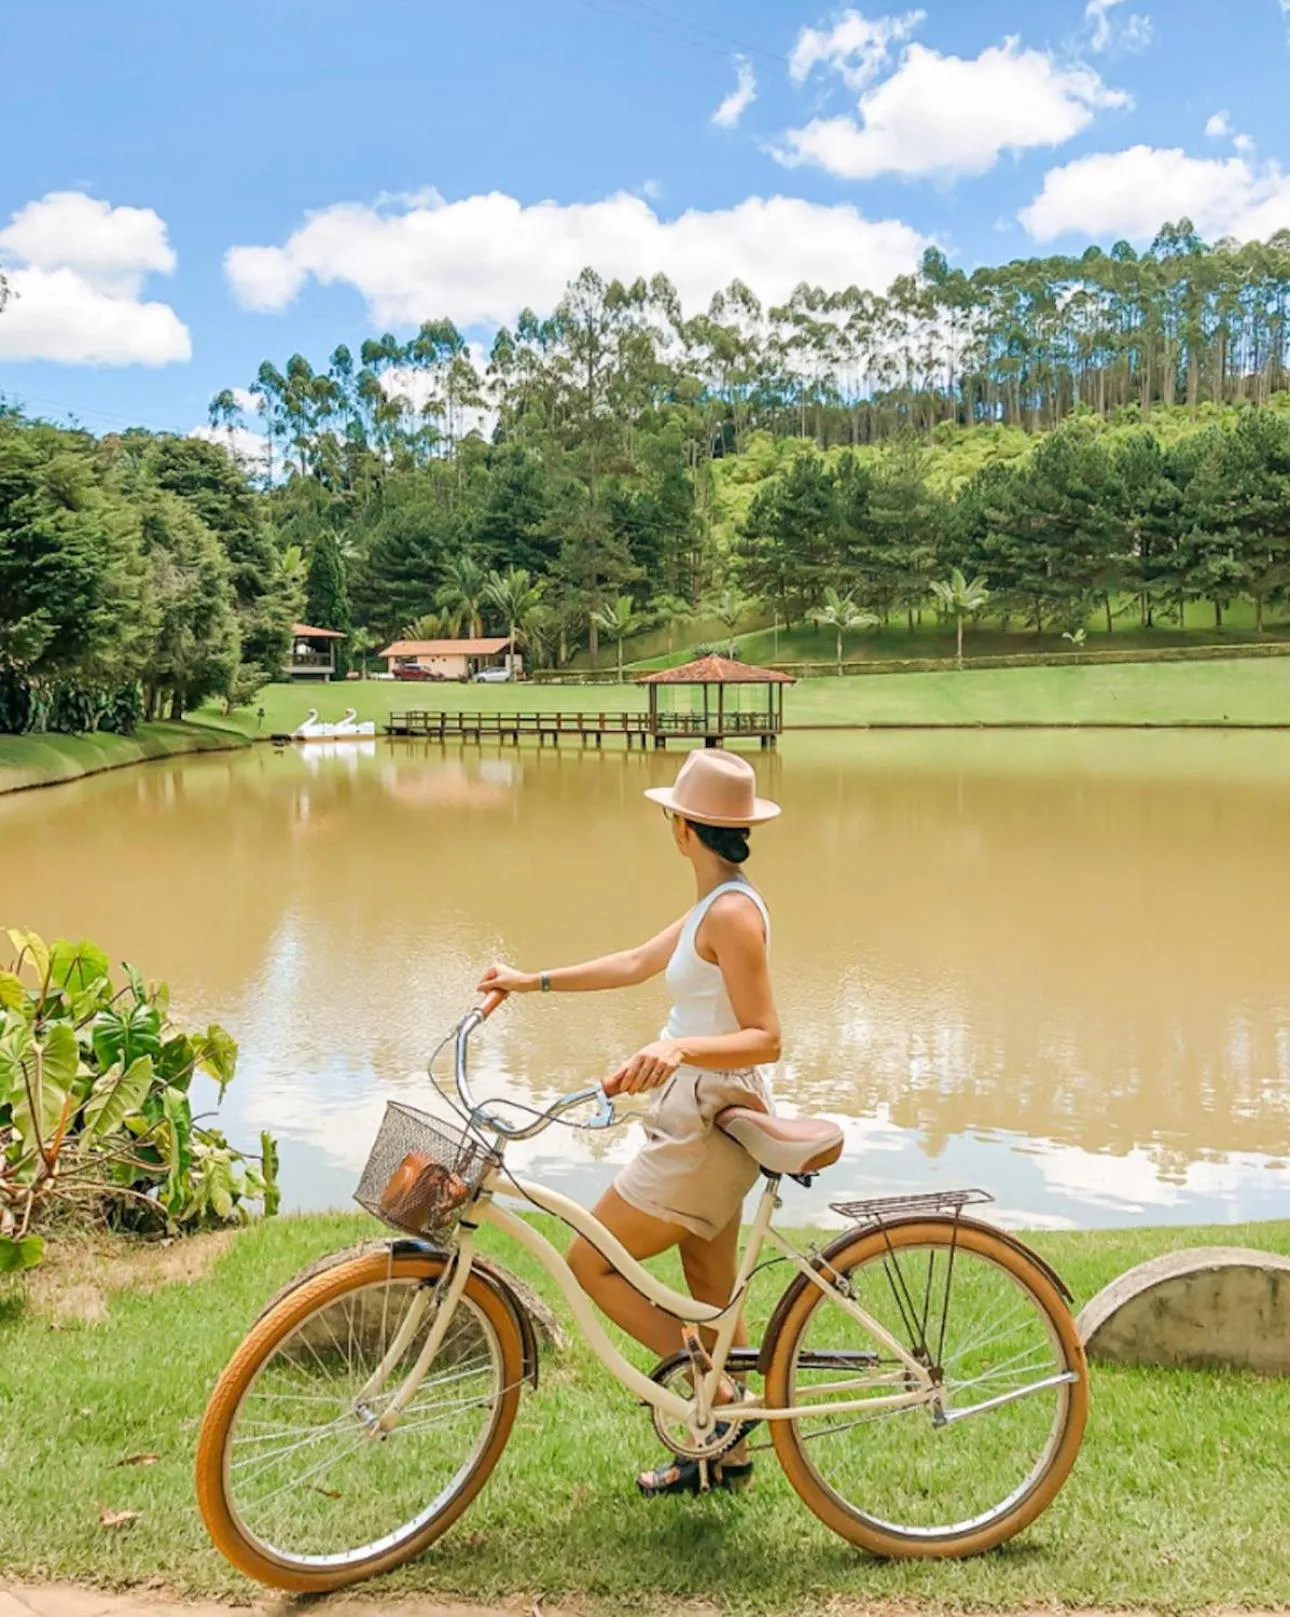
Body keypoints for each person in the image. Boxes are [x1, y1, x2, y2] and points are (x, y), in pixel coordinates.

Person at [477, 748, 781, 1495]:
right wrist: (529, 980)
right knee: (711, 1304)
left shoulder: (735, 913)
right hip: (702, 1114)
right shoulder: (715, 902)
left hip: (708, 1121)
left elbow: (766, 1034)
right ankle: (723, 1447)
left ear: (681, 827)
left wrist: (675, 1045)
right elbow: (633, 962)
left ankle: (724, 1403)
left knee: (591, 1261)